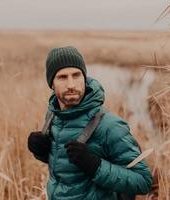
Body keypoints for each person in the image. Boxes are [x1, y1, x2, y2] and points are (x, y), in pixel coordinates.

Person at [28, 46, 153, 200]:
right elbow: (66, 166)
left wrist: (95, 166)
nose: (71, 84)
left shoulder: (110, 126)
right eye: (62, 77)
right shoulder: (53, 115)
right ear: (51, 84)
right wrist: (42, 152)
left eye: (76, 75)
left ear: (84, 78)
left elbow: (143, 182)